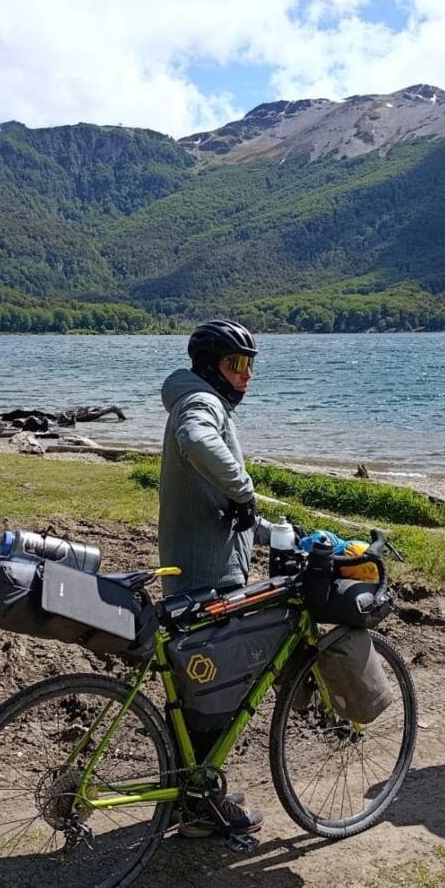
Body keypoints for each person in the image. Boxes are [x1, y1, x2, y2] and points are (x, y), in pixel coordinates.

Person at [158, 318, 265, 838]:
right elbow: (196, 440)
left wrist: (263, 527)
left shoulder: (198, 397)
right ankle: (200, 808)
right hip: (205, 581)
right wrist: (245, 490)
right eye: (234, 364)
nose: (244, 376)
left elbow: (214, 501)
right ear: (208, 367)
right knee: (211, 695)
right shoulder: (200, 405)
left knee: (196, 693)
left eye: (250, 365)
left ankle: (190, 798)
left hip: (202, 572)